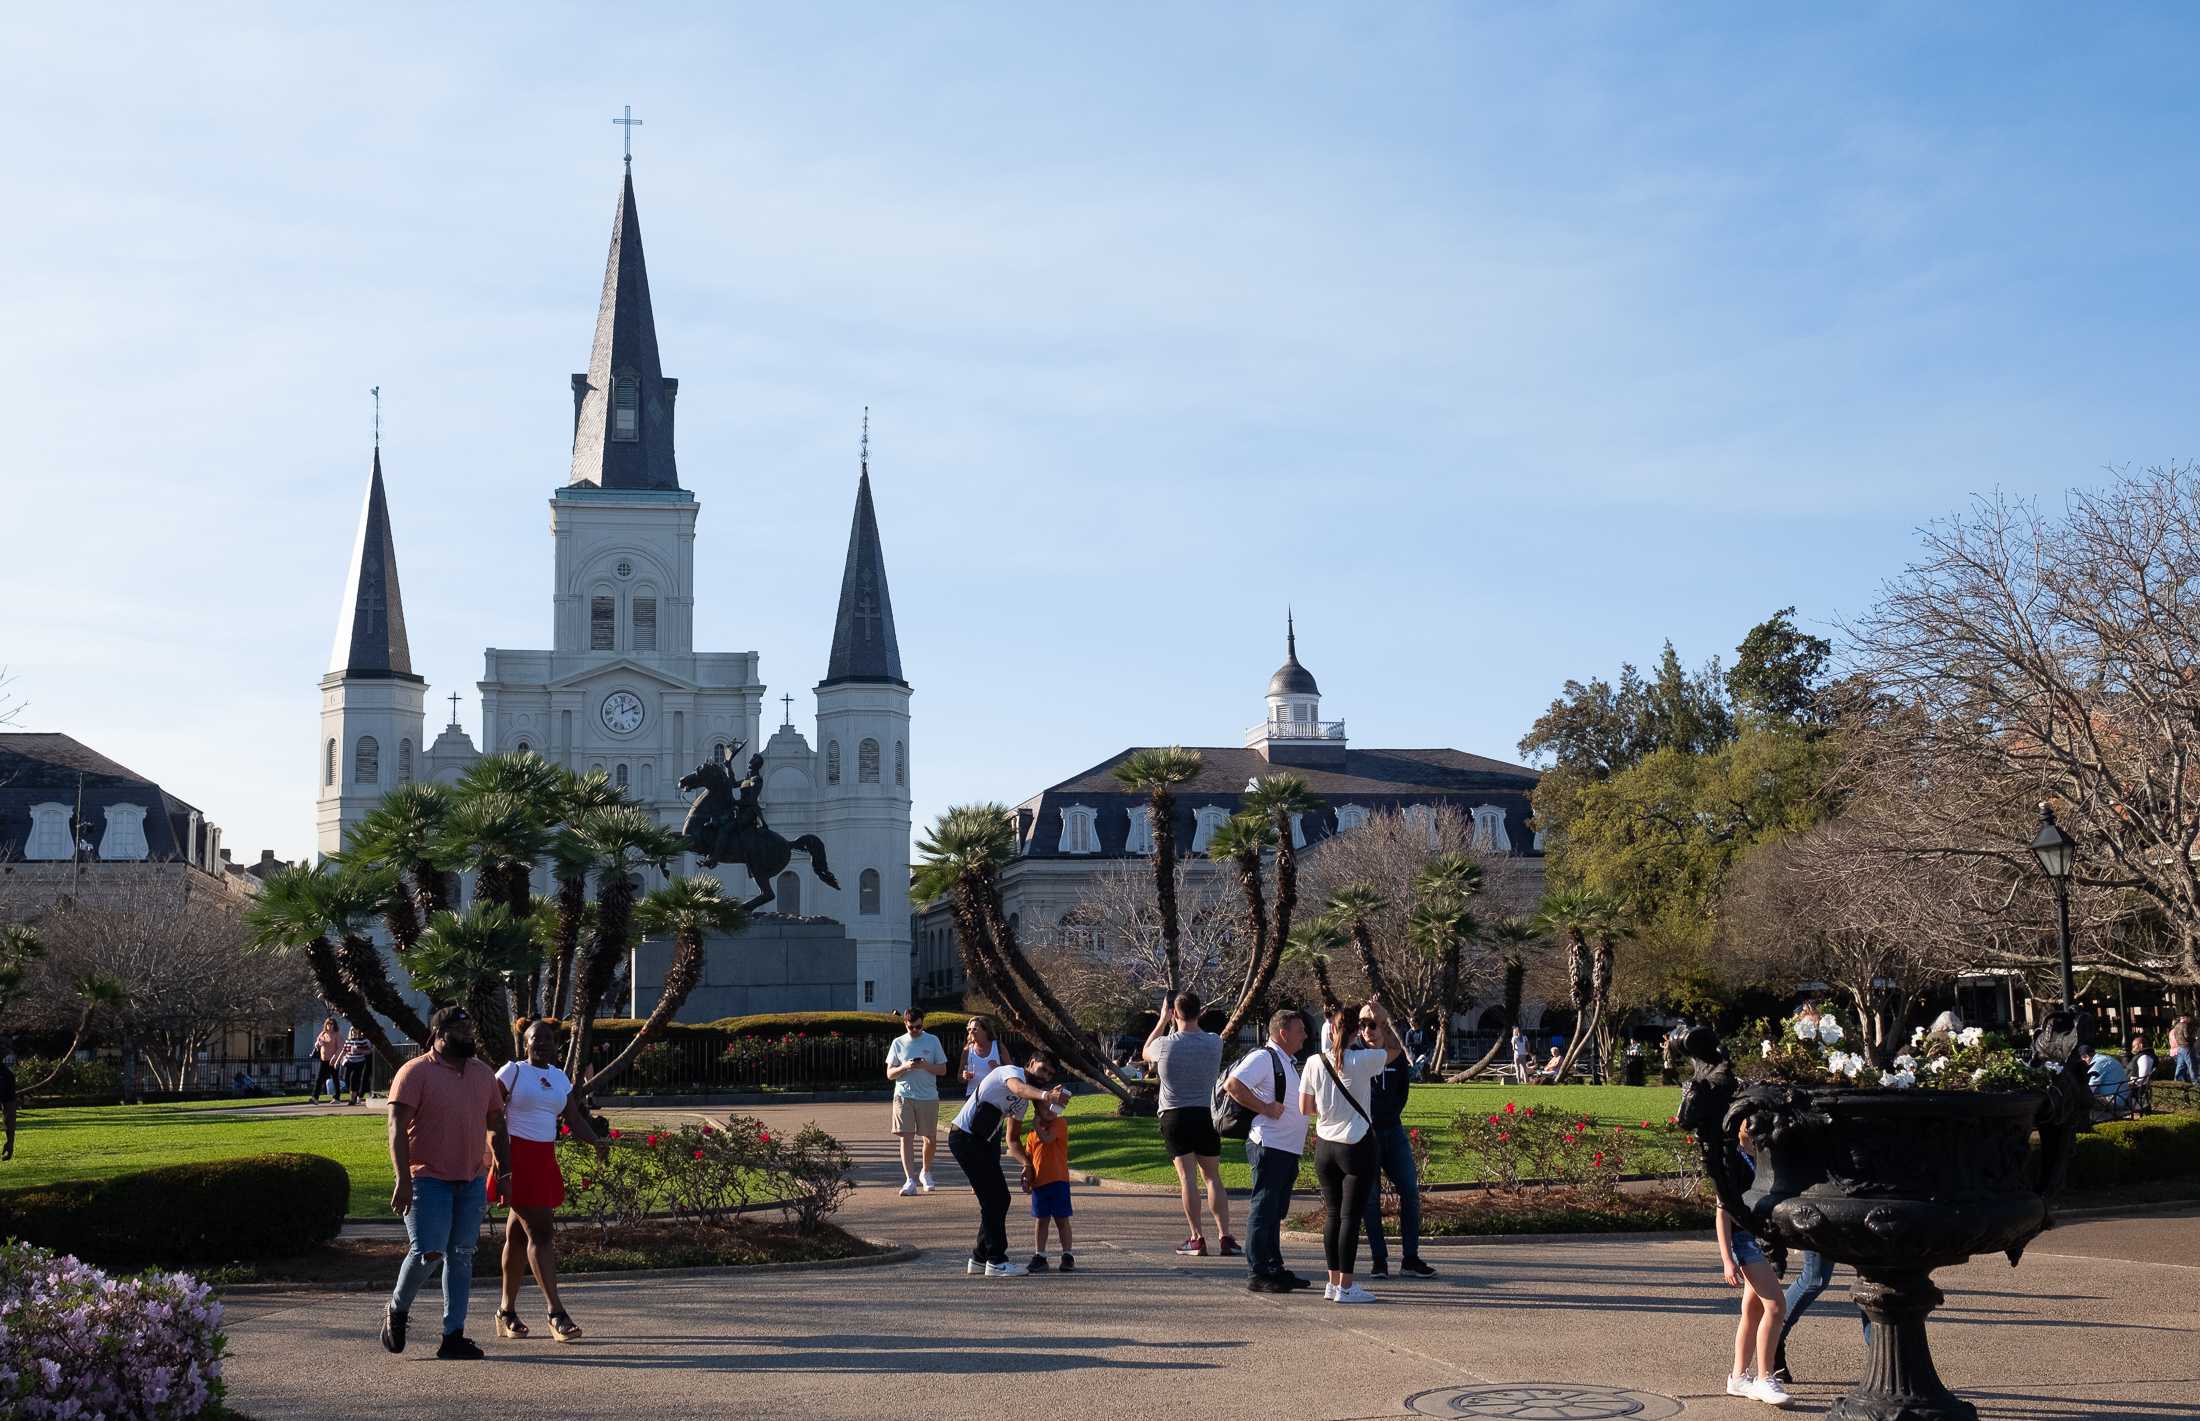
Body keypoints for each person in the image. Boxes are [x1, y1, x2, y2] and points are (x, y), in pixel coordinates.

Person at [382, 1005, 510, 1361]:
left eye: (470, 1031)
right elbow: (395, 1129)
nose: (468, 1037)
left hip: (469, 1179)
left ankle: (453, 1335)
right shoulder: (415, 1072)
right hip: (426, 1179)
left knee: (462, 1257)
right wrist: (402, 1179)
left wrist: (504, 1172)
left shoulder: (482, 1074)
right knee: (428, 1253)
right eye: (460, 1033)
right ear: (438, 1036)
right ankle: (397, 1308)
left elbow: (496, 1124)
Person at [490, 1018, 608, 1344]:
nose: (540, 1044)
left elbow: (573, 1118)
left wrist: (595, 1141)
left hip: (544, 1160)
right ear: (524, 1044)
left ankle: (506, 1313)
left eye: (546, 1040)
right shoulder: (512, 1072)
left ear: (557, 1046)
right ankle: (556, 1312)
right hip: (516, 1158)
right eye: (534, 1039)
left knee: (516, 1237)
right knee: (541, 1233)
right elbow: (490, 1113)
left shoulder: (559, 1079)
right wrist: (500, 1165)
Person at [1300, 999, 1402, 1304]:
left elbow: (1305, 1107)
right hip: (1356, 1142)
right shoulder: (1363, 1061)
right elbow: (1396, 1052)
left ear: (1331, 1029)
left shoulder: (1314, 1062)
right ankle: (1346, 1286)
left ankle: (1332, 1283)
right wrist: (1382, 1022)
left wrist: (1330, 1109)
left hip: (1325, 1145)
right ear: (1357, 1031)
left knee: (1333, 1214)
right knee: (1350, 1217)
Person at [948, 1049, 1068, 1277]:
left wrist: (1027, 1164)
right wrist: (1045, 1096)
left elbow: (1012, 1140)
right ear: (1031, 1062)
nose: (1044, 1077)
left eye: (1050, 1074)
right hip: (965, 1137)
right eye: (1042, 1069)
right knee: (996, 1199)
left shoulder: (1023, 1104)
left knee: (996, 1199)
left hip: (983, 1142)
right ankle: (997, 1260)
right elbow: (1018, 1088)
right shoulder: (1010, 1072)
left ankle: (980, 1258)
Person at [1223, 1009, 1312, 1295]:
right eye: (1300, 1031)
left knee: (1275, 1211)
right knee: (1263, 1208)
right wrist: (1265, 1108)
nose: (1305, 1036)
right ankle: (1258, 1271)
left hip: (1285, 1148)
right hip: (1269, 1146)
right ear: (1283, 1034)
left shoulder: (1286, 1060)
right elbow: (1233, 1085)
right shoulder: (1263, 1058)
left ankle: (1275, 1267)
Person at [1142, 990, 1236, 1258]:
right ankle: (1225, 1236)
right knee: (1212, 1177)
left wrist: (1162, 1020)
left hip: (1175, 1116)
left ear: (1174, 1013)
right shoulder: (1214, 1042)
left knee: (1187, 1179)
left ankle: (1196, 1238)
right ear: (1201, 1011)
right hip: (1207, 1114)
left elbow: (1145, 1050)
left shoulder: (1165, 1045)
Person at [1717, 1118, 1794, 1408]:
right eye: (1749, 1119)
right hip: (1745, 1243)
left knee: (1752, 1311)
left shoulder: (1764, 1156)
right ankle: (1764, 1377)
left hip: (1764, 1241)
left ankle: (1738, 1377)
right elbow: (1722, 1212)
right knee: (1775, 1307)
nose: (1755, 1124)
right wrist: (1727, 1259)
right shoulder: (1731, 1160)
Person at [1358, 1003, 1435, 1280]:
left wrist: (1389, 1114)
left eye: (1374, 1023)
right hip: (1366, 1135)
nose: (1369, 1029)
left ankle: (1410, 1258)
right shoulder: (1354, 1055)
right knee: (1370, 1200)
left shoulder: (1395, 1056)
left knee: (1410, 1193)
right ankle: (1379, 1260)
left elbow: (1402, 1092)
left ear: (1384, 1025)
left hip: (1393, 1131)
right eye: (1364, 1023)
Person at [886, 1006, 948, 1195]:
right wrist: (905, 1066)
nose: (915, 1030)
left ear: (923, 1024)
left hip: (928, 1096)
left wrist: (925, 1065)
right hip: (903, 1096)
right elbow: (889, 1074)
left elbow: (943, 1070)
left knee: (929, 1137)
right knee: (906, 1137)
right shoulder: (898, 1043)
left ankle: (926, 1172)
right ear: (905, 1023)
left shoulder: (933, 1040)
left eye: (919, 1027)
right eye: (911, 1027)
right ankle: (909, 1180)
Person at [1024, 1094, 1074, 1273]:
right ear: (1037, 1111)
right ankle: (1040, 1255)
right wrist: (1026, 1176)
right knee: (1041, 1220)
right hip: (1040, 1183)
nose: (1051, 1111)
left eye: (1054, 1107)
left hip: (1059, 1181)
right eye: (1046, 1108)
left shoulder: (1059, 1124)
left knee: (1062, 1219)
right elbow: (1028, 1159)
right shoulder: (1031, 1136)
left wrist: (1037, 1126)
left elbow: (1047, 1138)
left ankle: (1067, 1254)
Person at [2080, 1042, 2131, 1116]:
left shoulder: (2098, 1064)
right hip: (2122, 1097)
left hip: (2114, 1101)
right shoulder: (2105, 1059)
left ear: (2086, 1056)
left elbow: (2090, 1089)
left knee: (2079, 1100)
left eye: (2082, 1060)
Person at [960, 1017, 1001, 1094]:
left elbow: (1011, 1070)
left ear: (986, 1030)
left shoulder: (998, 1046)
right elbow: (959, 1077)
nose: (971, 1032)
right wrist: (964, 1076)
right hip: (973, 1096)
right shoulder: (967, 1049)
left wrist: (998, 1068)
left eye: (975, 1029)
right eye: (969, 1029)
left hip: (995, 1095)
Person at [309, 1016, 344, 1104]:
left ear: (334, 1025)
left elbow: (340, 1048)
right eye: (328, 1023)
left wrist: (335, 1058)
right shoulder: (323, 1033)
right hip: (323, 1060)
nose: (330, 1025)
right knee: (319, 1078)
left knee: (335, 1078)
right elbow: (317, 1043)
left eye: (332, 1024)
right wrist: (318, 1044)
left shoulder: (336, 1035)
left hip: (333, 1060)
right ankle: (315, 1097)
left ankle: (337, 1097)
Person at [340, 1024, 373, 1105]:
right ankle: (354, 1094)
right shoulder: (348, 1041)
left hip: (359, 1063)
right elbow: (344, 1051)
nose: (353, 1033)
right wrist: (338, 1060)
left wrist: (359, 1051)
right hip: (349, 1062)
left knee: (353, 1079)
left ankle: (353, 1099)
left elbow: (369, 1051)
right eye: (352, 1031)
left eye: (355, 1031)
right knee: (346, 1079)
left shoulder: (362, 1041)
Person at [0, 1046, 16, 1161]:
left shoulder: (6, 1076)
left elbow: (9, 1113)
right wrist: (10, 1142)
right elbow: (9, 1113)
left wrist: (10, 1142)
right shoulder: (6, 1075)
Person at [2171, 1016, 2195, 1083]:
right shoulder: (2184, 1025)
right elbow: (2186, 1036)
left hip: (2180, 1048)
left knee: (2180, 1066)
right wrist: (2194, 1039)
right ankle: (2195, 1082)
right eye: (2188, 1018)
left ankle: (2176, 1081)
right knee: (2191, 1065)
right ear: (2185, 1018)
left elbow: (2175, 1036)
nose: (2189, 1020)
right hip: (2186, 1047)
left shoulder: (2176, 1026)